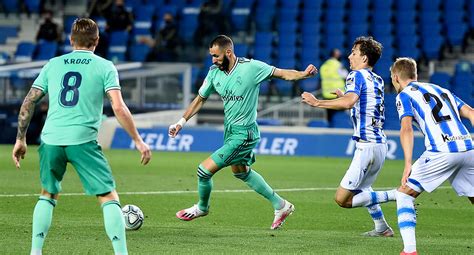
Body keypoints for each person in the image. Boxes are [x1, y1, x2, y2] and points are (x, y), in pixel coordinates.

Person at [12, 18, 152, 255]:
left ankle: (35, 252)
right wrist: (137, 139)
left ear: (70, 40)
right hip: (83, 140)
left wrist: (20, 138)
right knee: (108, 196)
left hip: (51, 138)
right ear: (97, 41)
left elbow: (29, 101)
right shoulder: (105, 66)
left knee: (47, 194)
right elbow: (118, 107)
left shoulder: (53, 64)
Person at [168, 35, 317, 229]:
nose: (213, 60)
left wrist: (303, 74)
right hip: (230, 132)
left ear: (228, 52)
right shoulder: (214, 73)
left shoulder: (251, 68)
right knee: (241, 172)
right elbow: (200, 98)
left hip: (244, 134)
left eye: (216, 56)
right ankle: (281, 205)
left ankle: (202, 208)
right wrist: (181, 121)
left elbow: (282, 73)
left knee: (203, 171)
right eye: (211, 56)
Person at [301, 36, 396, 236]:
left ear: (364, 59)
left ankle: (399, 195)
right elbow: (362, 103)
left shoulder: (356, 75)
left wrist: (317, 102)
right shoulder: (377, 79)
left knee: (342, 199)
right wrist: (343, 95)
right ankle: (382, 228)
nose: (349, 56)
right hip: (380, 144)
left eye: (354, 52)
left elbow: (349, 103)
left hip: (367, 146)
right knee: (365, 189)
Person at [390, 57, 473, 255]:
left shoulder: (404, 95)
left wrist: (408, 163)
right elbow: (470, 112)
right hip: (468, 147)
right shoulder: (441, 89)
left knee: (403, 194)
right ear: (416, 75)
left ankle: (409, 251)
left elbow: (406, 128)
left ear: (395, 78)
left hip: (442, 150)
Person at [319, 48, 348, 124]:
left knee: (329, 117)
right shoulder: (338, 65)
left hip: (326, 95)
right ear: (336, 55)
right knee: (340, 116)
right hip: (337, 94)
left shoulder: (324, 66)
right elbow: (346, 75)